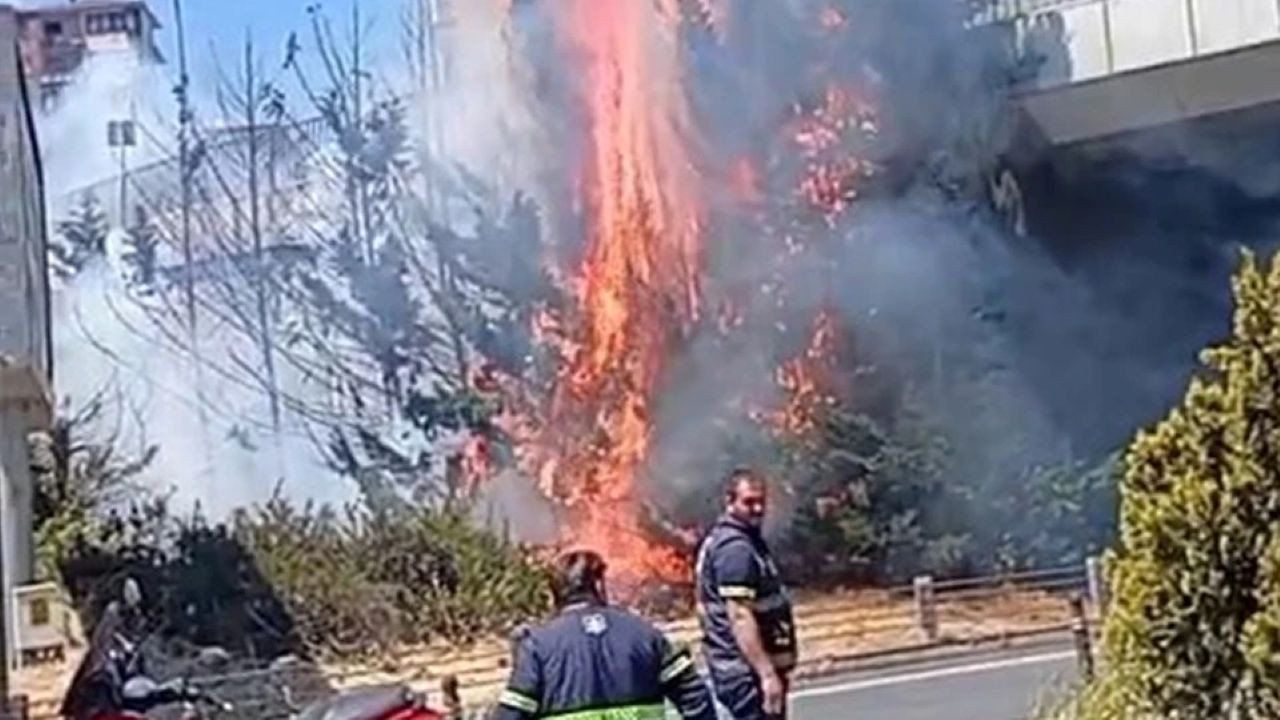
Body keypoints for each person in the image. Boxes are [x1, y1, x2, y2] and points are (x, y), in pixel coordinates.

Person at [492, 549, 716, 720]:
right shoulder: (644, 634)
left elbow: (512, 713)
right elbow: (695, 697)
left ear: (554, 594)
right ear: (599, 585)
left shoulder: (538, 646)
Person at [695, 469, 797, 720]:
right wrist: (767, 674)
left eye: (761, 501)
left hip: (738, 669)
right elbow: (740, 615)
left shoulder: (734, 540)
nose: (758, 508)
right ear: (730, 502)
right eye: (749, 502)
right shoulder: (736, 549)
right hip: (746, 675)